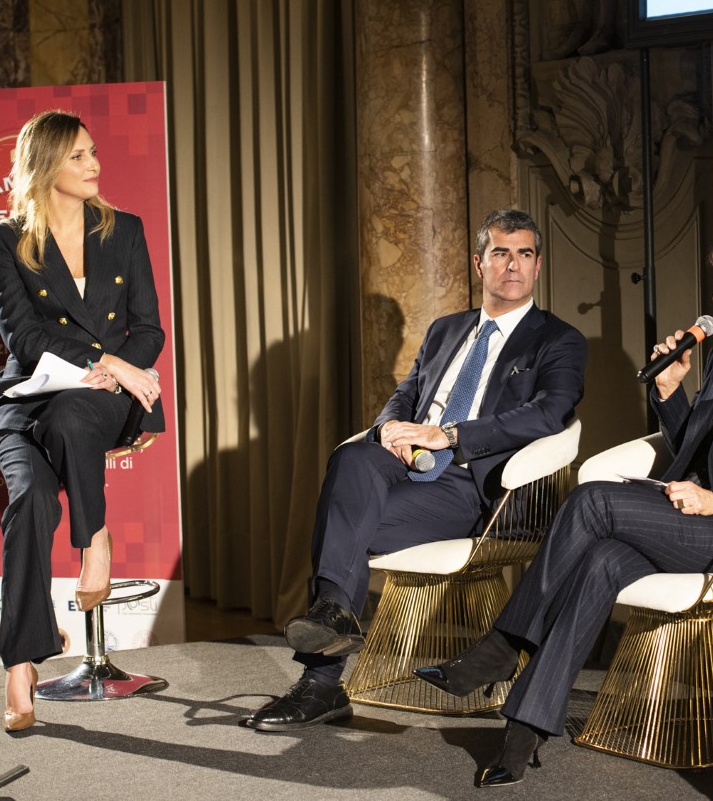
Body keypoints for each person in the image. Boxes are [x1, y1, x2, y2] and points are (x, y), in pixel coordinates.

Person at [415, 227, 713, 787]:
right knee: (602, 562)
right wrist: (669, 390)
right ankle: (525, 729)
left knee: (592, 501)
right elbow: (694, 447)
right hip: (684, 520)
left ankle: (502, 646)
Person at [245, 209, 588, 732]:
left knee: (342, 522)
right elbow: (405, 394)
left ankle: (321, 681)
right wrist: (388, 429)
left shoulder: (557, 340)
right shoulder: (445, 329)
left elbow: (549, 414)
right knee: (352, 457)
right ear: (480, 263)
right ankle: (332, 632)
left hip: (470, 485)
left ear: (538, 266)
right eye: (500, 253)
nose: (512, 265)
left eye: (523, 254)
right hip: (404, 467)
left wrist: (447, 435)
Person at [0, 110, 165, 732]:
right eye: (79, 157)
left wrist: (115, 373)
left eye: (93, 152)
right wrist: (105, 358)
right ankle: (21, 661)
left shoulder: (125, 230)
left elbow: (149, 328)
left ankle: (92, 541)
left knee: (72, 415)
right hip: (24, 400)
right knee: (31, 498)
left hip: (106, 399)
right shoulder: (6, 241)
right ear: (45, 168)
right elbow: (25, 338)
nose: (94, 165)